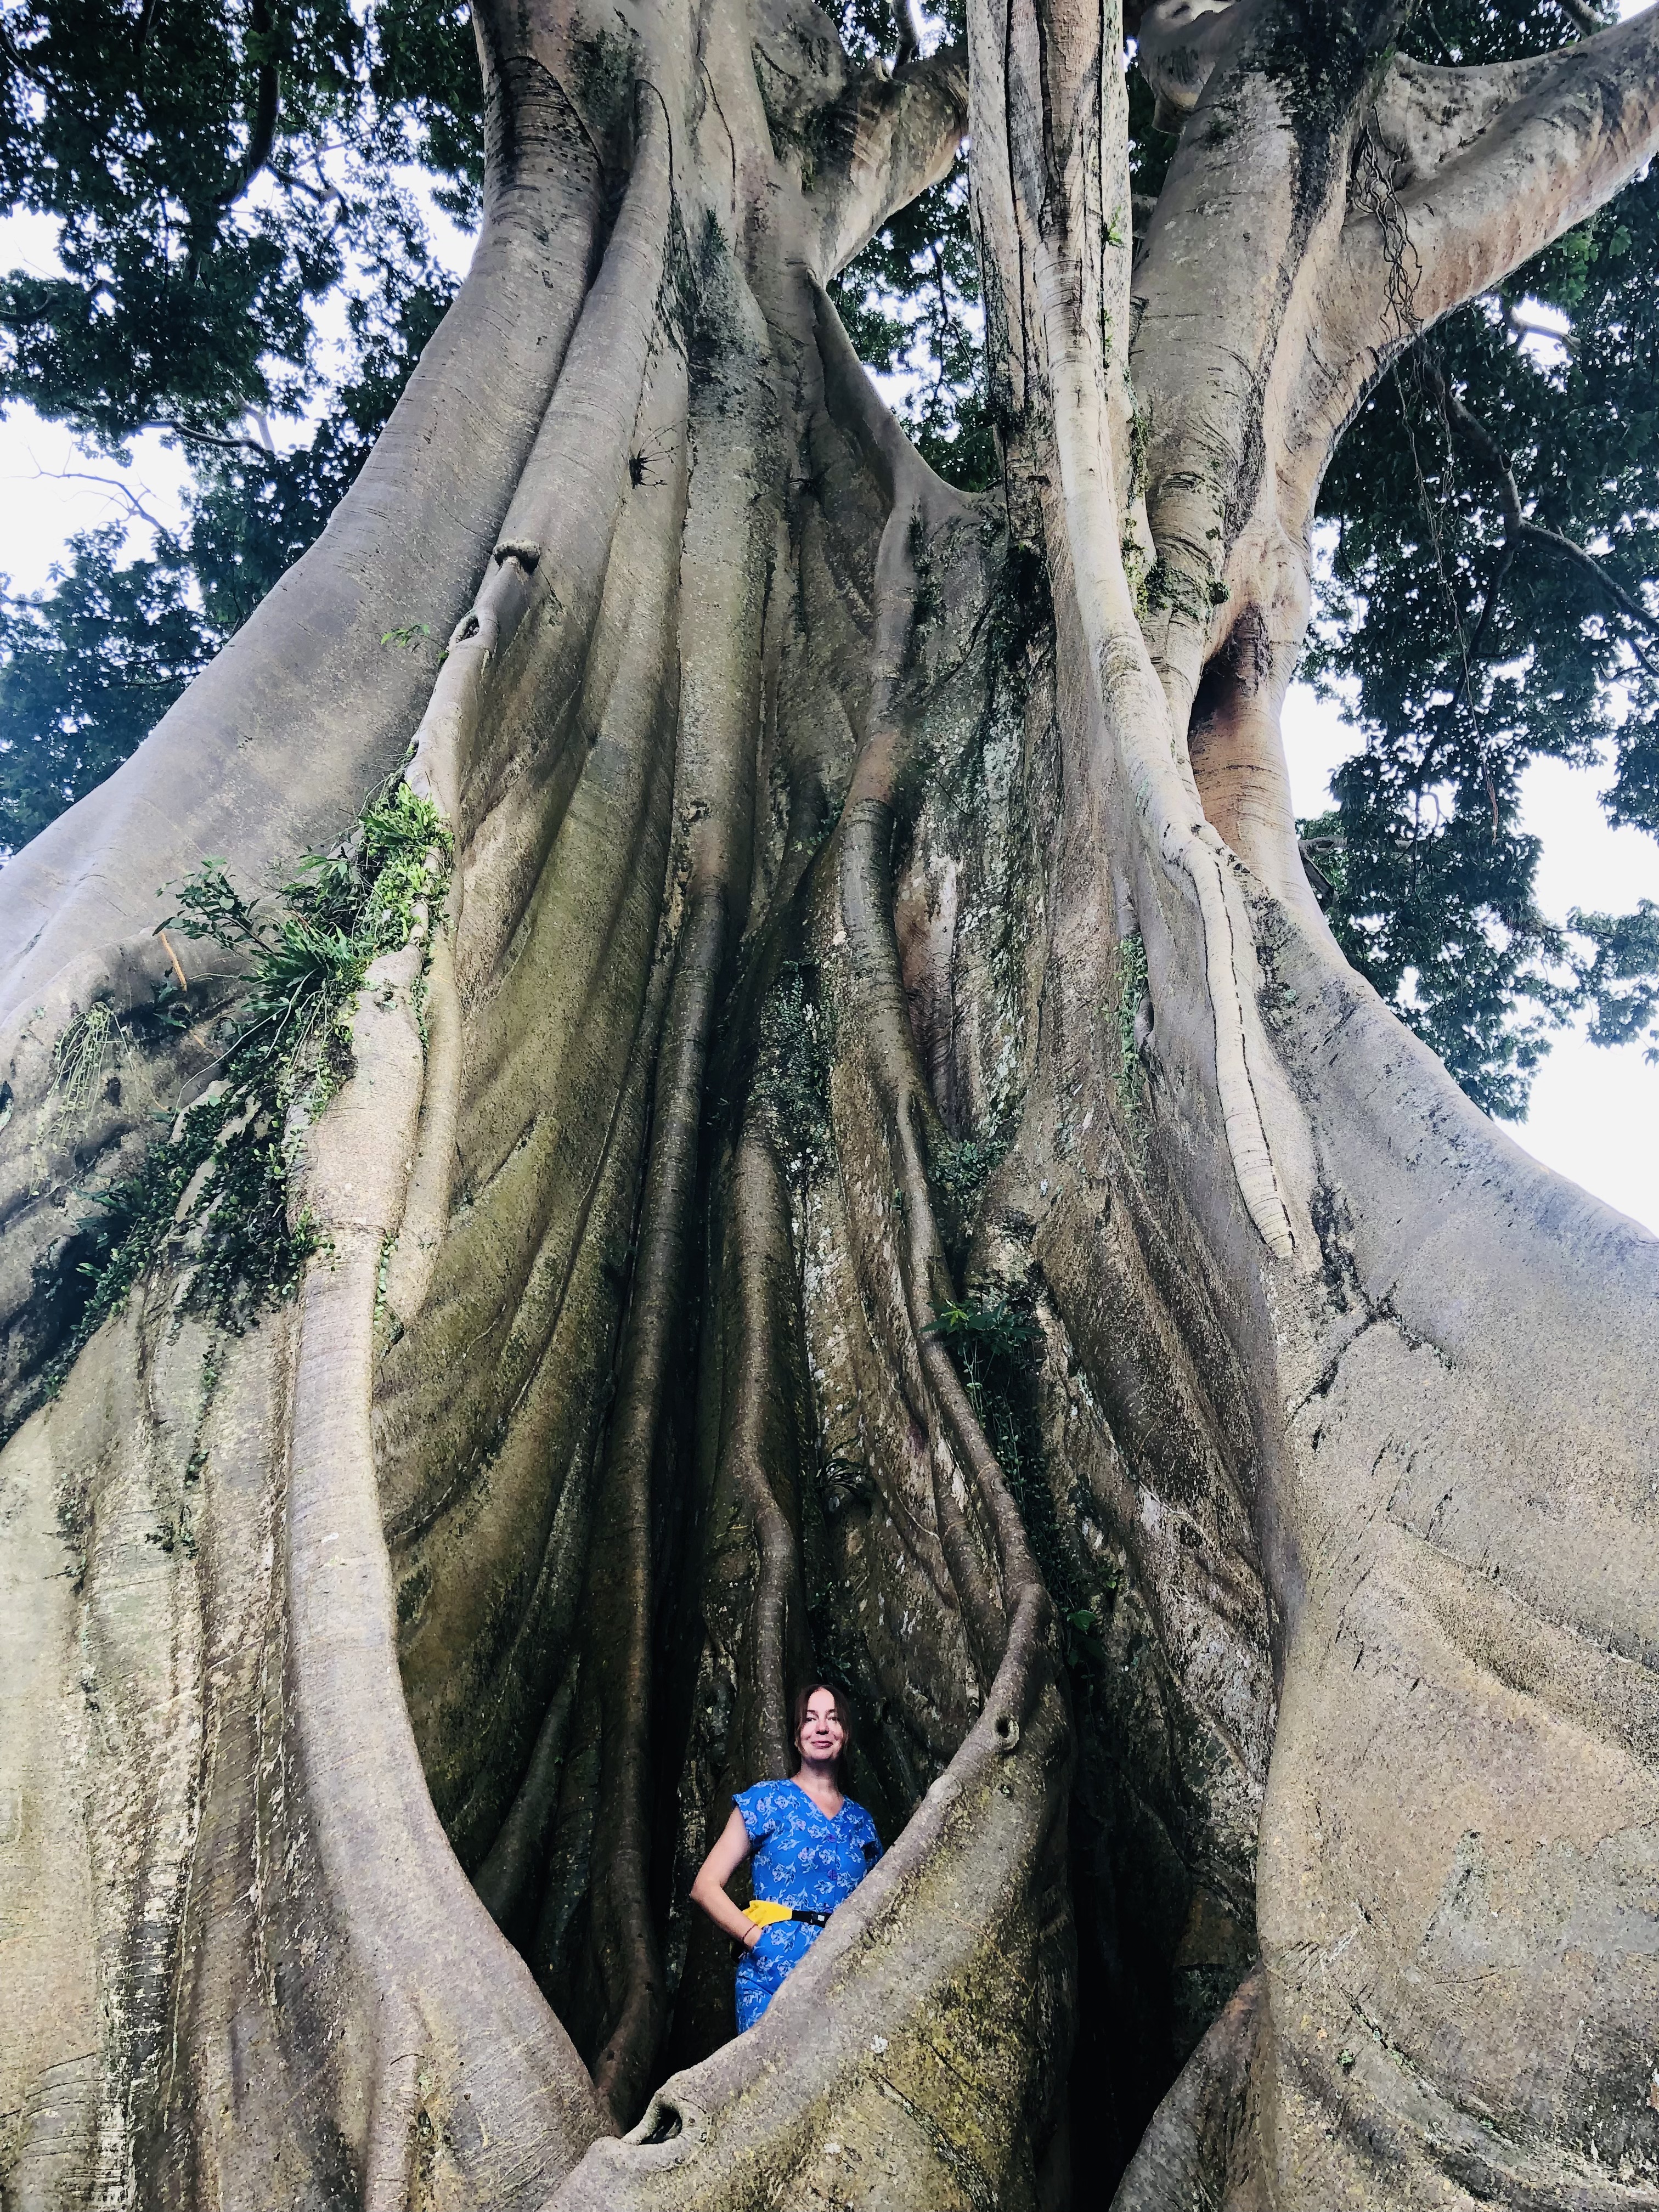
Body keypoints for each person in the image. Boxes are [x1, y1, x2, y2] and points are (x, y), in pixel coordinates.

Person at [690, 1682, 883, 2032]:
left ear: (845, 1734)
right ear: (797, 1737)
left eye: (833, 1719)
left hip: (844, 1984)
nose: (822, 1728)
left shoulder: (861, 1823)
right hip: (770, 1978)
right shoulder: (766, 1800)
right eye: (810, 1720)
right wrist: (757, 1940)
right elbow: (705, 1886)